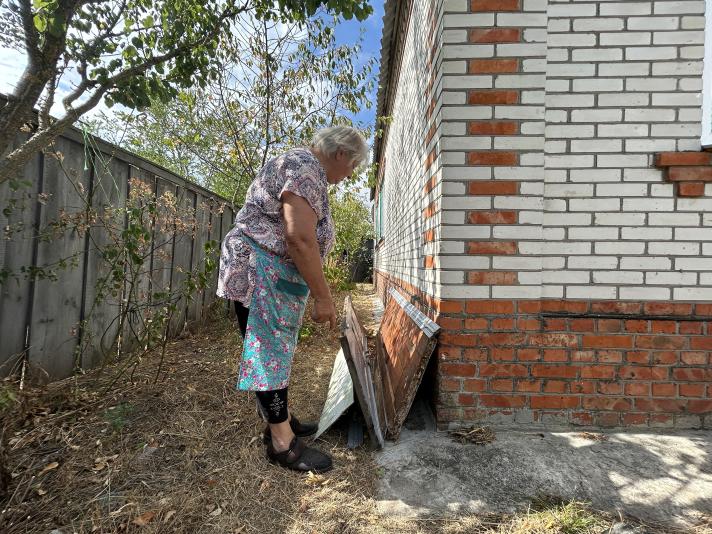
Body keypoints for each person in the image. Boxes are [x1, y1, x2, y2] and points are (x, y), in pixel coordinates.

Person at [216, 126, 368, 473]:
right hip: (261, 271)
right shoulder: (305, 168)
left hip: (271, 272)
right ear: (341, 154)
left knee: (275, 351)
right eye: (352, 167)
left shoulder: (303, 167)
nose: (349, 176)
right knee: (268, 352)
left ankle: (279, 417)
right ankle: (281, 443)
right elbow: (299, 238)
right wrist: (324, 298)